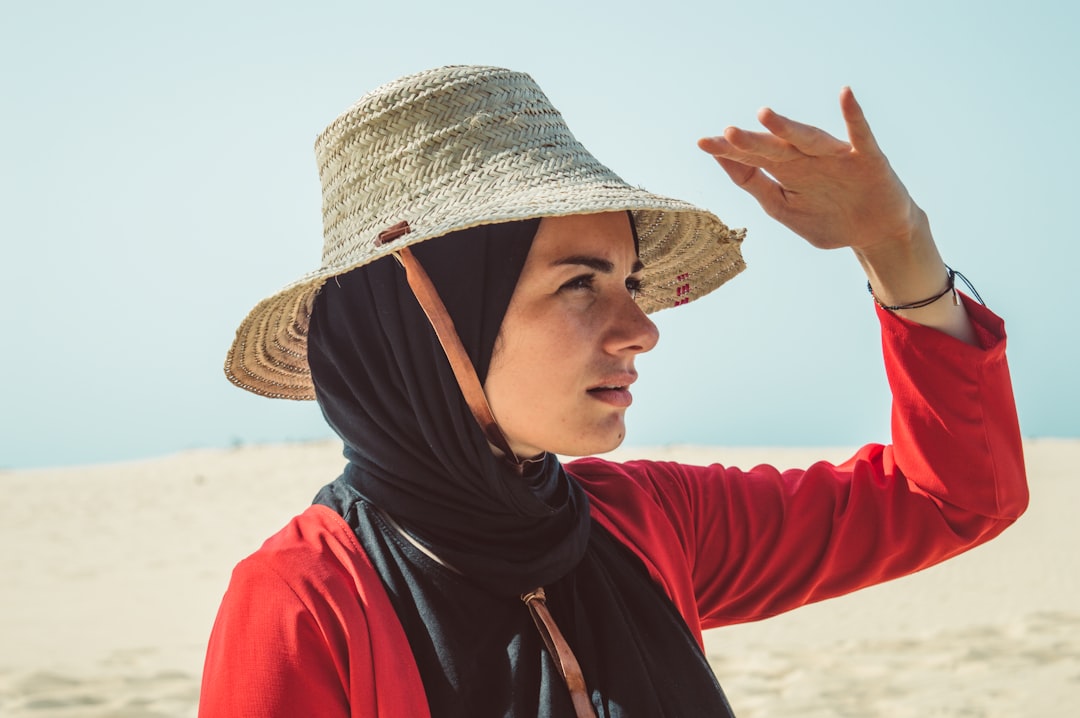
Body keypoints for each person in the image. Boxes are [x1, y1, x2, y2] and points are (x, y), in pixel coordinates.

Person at [199, 65, 1028, 717]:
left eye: (629, 281)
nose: (643, 329)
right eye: (578, 285)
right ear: (429, 318)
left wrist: (898, 246)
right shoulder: (305, 602)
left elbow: (952, 496)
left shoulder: (644, 521)